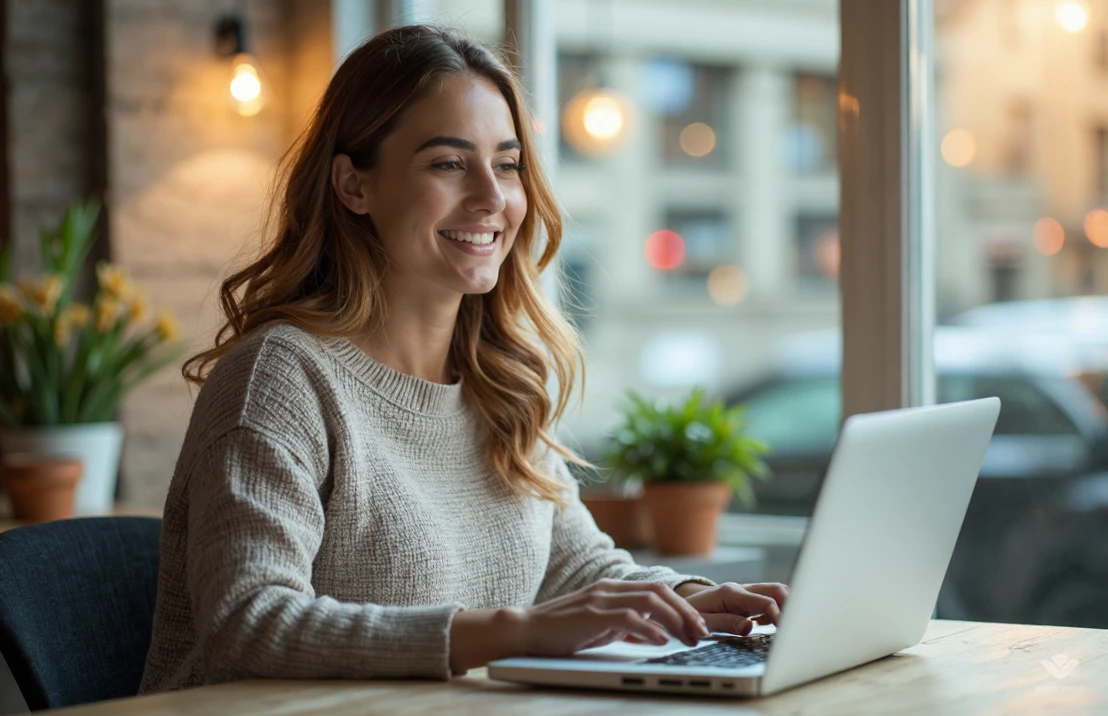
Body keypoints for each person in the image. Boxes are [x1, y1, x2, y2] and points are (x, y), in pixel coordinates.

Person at [139, 25, 788, 693]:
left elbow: (578, 569)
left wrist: (692, 598)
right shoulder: (281, 379)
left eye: (506, 165)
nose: (490, 197)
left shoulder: (497, 381)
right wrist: (515, 631)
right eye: (448, 164)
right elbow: (250, 624)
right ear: (352, 185)